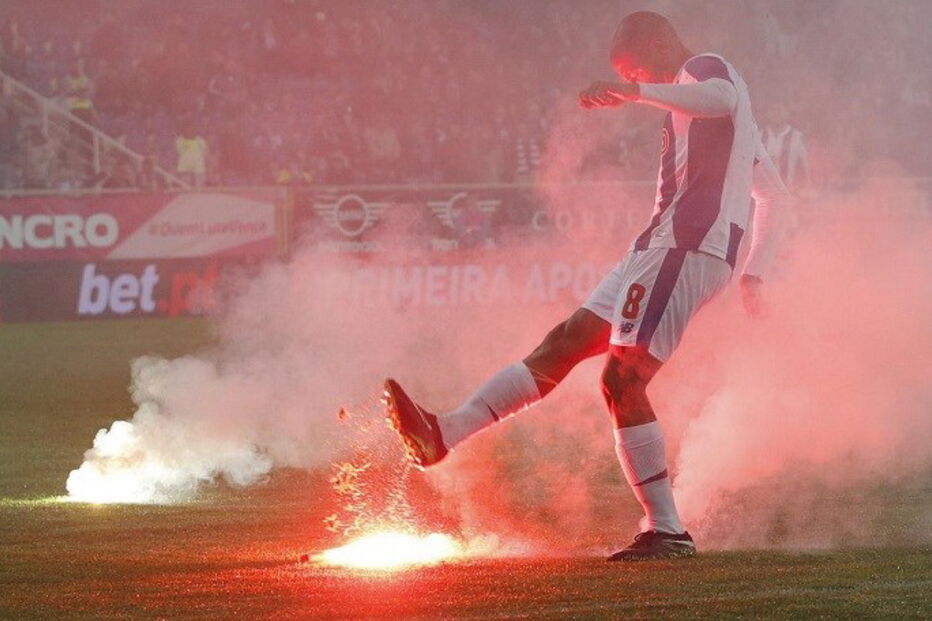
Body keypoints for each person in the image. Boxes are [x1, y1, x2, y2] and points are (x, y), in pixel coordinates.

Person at [384, 11, 789, 561]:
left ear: (658, 43)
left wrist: (636, 92)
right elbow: (774, 194)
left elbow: (720, 97)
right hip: (656, 246)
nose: (633, 78)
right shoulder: (712, 117)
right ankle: (444, 434)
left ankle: (666, 529)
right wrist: (756, 271)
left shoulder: (704, 68)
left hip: (685, 246)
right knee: (567, 340)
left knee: (623, 379)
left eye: (634, 67)